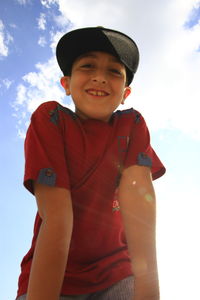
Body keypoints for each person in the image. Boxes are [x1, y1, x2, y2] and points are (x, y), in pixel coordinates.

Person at [16, 27, 166, 300]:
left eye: (114, 72)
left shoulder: (131, 125)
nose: (100, 77)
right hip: (54, 274)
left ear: (125, 93)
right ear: (66, 83)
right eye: (88, 66)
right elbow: (58, 217)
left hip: (116, 275)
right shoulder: (51, 119)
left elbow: (140, 211)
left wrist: (148, 292)